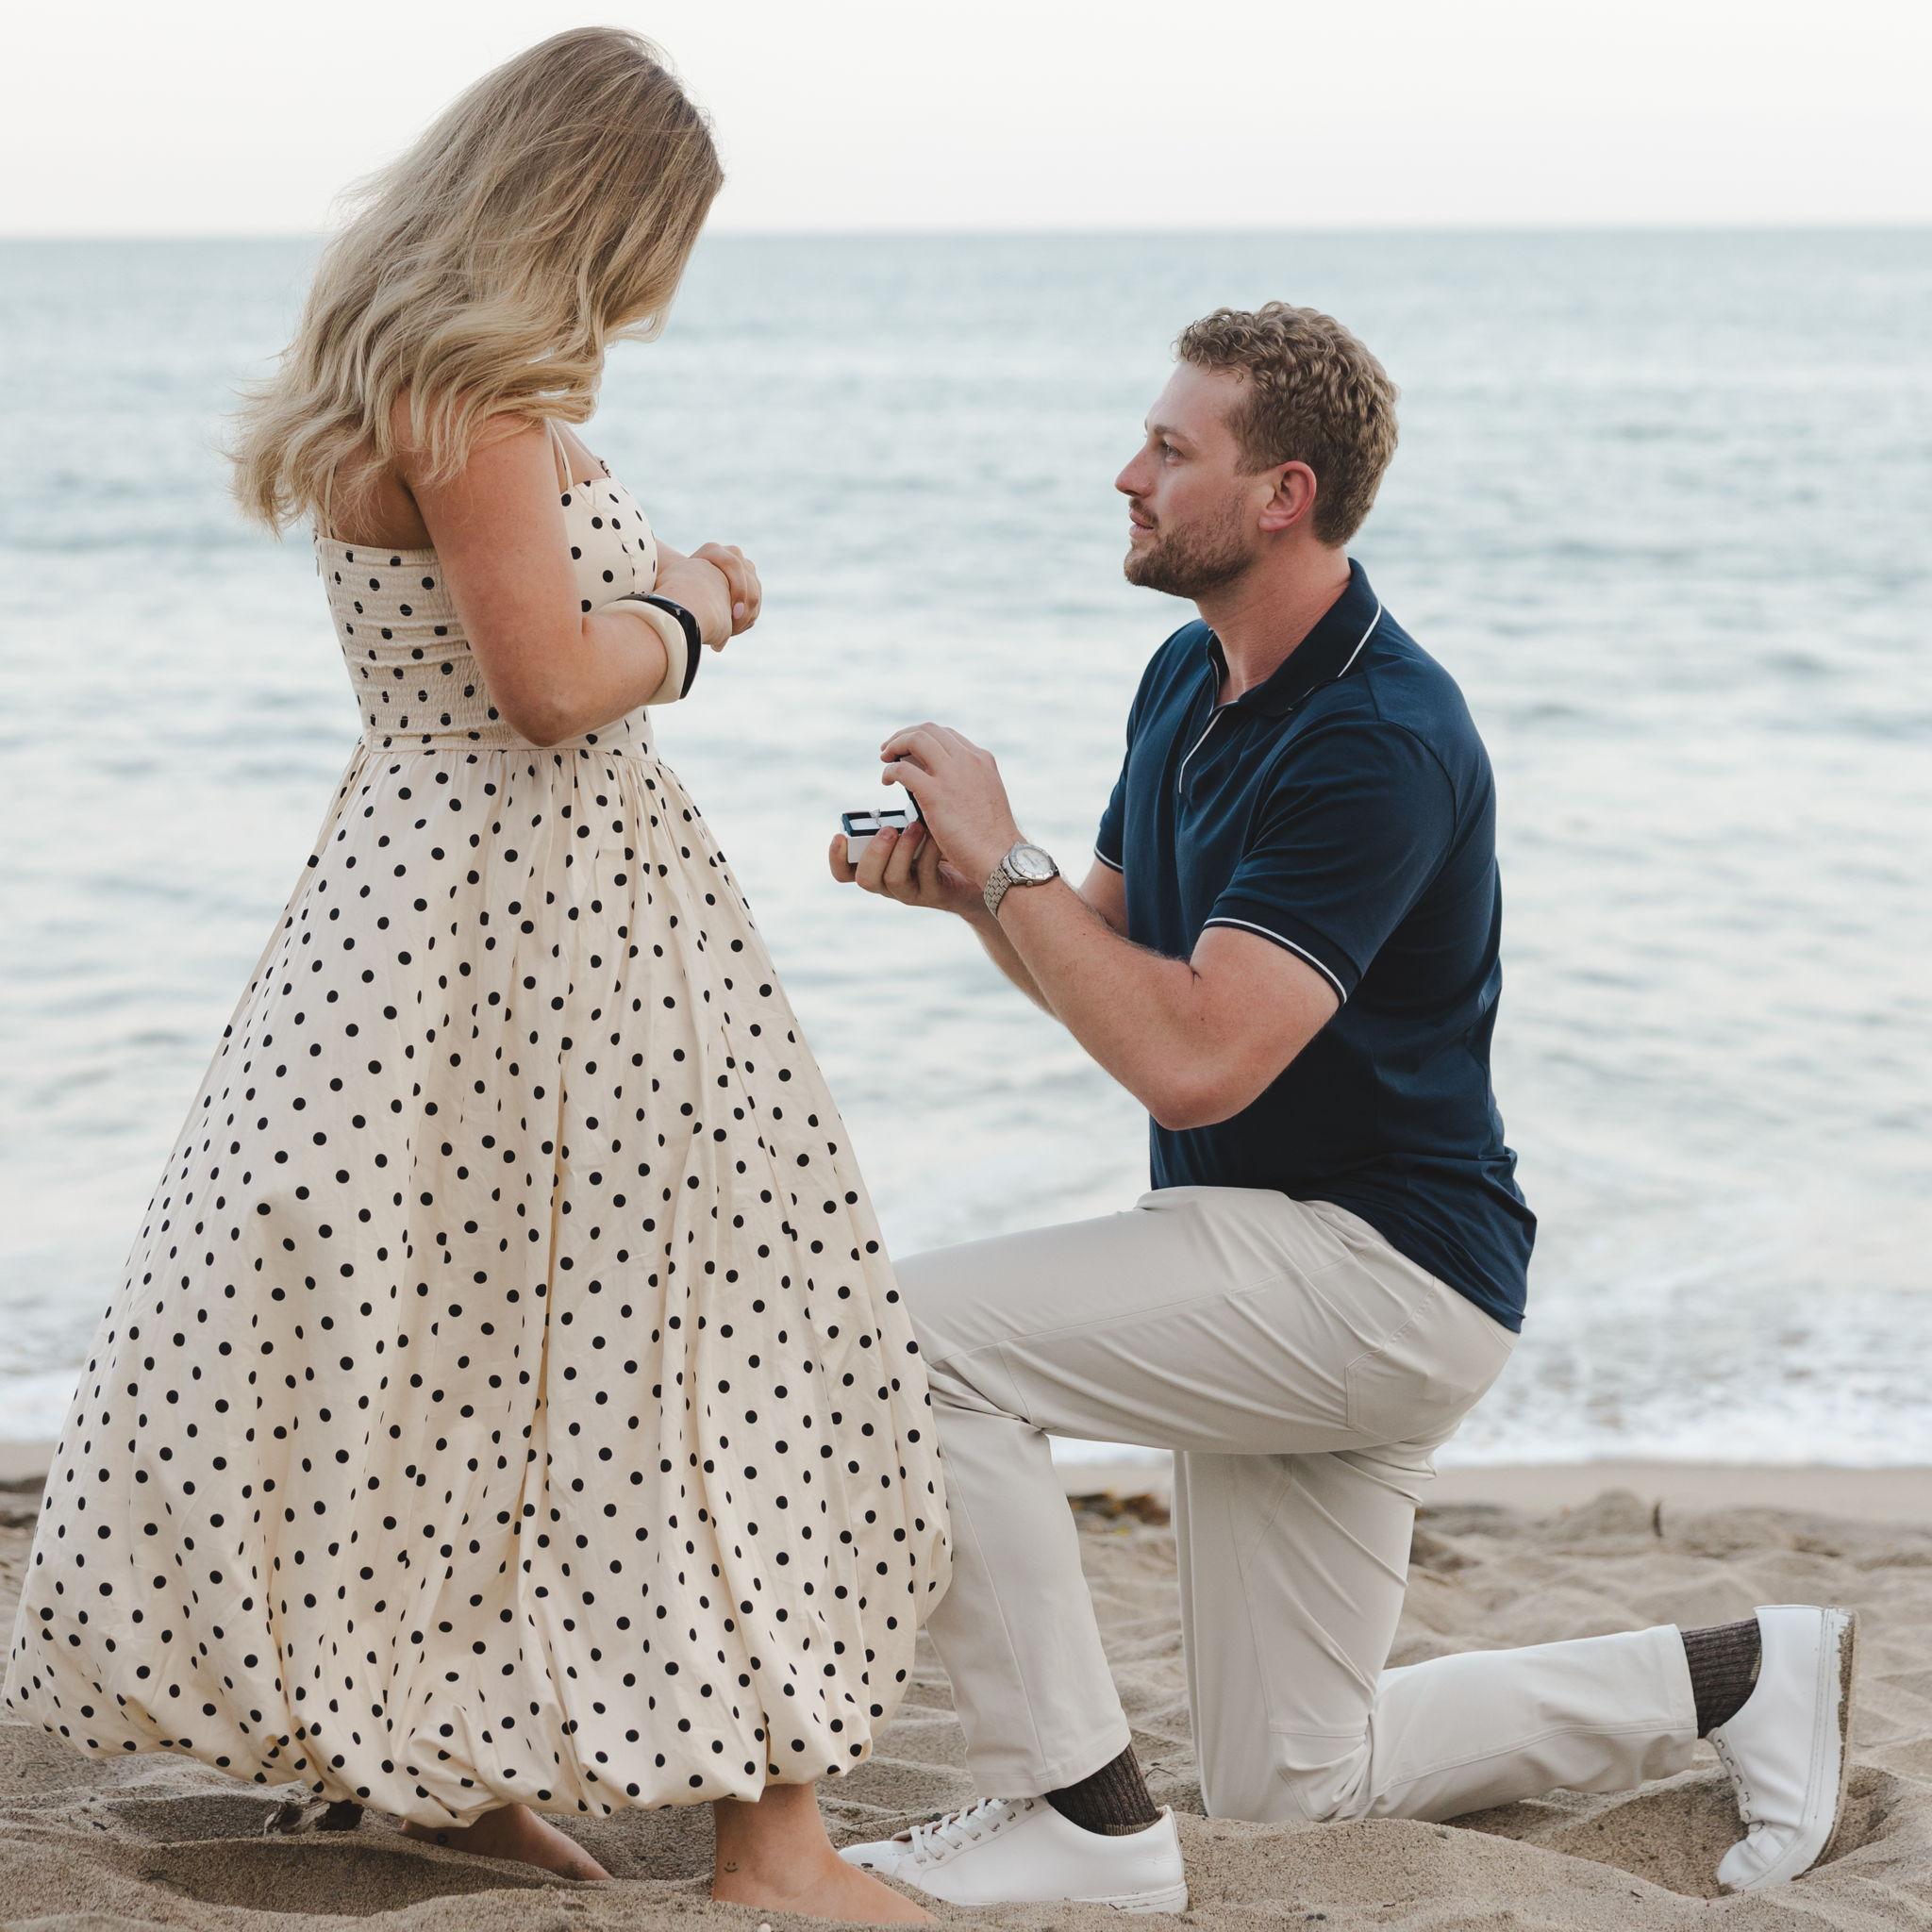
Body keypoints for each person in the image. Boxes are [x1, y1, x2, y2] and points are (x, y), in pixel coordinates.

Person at [1, 28, 949, 1924]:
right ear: (590, 210)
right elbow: (547, 684)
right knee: (712, 1334)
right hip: (534, 915)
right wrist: (688, 605)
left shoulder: (416, 389)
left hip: (436, 912)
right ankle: (774, 1847)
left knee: (448, 1347)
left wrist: (648, 602)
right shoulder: (467, 401)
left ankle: (439, 1782)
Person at [828, 302, 1857, 1911]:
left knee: (896, 1336)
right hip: (1273, 1254)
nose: (1129, 474)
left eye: (1172, 451)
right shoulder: (1186, 677)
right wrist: (973, 896)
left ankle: (1077, 1814)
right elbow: (1126, 974)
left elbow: (1194, 1061)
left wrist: (1010, 855)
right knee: (1297, 1788)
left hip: (1378, 1270)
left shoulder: (1378, 734)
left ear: (1284, 492)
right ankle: (1736, 1674)